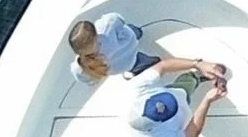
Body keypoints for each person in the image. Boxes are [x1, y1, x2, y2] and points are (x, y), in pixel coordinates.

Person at [67, 13, 228, 86]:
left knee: (139, 64)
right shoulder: (106, 27)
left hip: (125, 65)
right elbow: (118, 19)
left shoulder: (78, 68)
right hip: (130, 48)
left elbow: (88, 80)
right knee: (137, 33)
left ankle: (135, 71)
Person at [125, 65, 229, 137]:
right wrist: (207, 100)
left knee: (184, 84)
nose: (173, 101)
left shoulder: (135, 90)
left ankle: (195, 77)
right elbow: (193, 131)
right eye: (168, 110)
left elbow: (163, 65)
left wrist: (198, 64)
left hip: (176, 91)